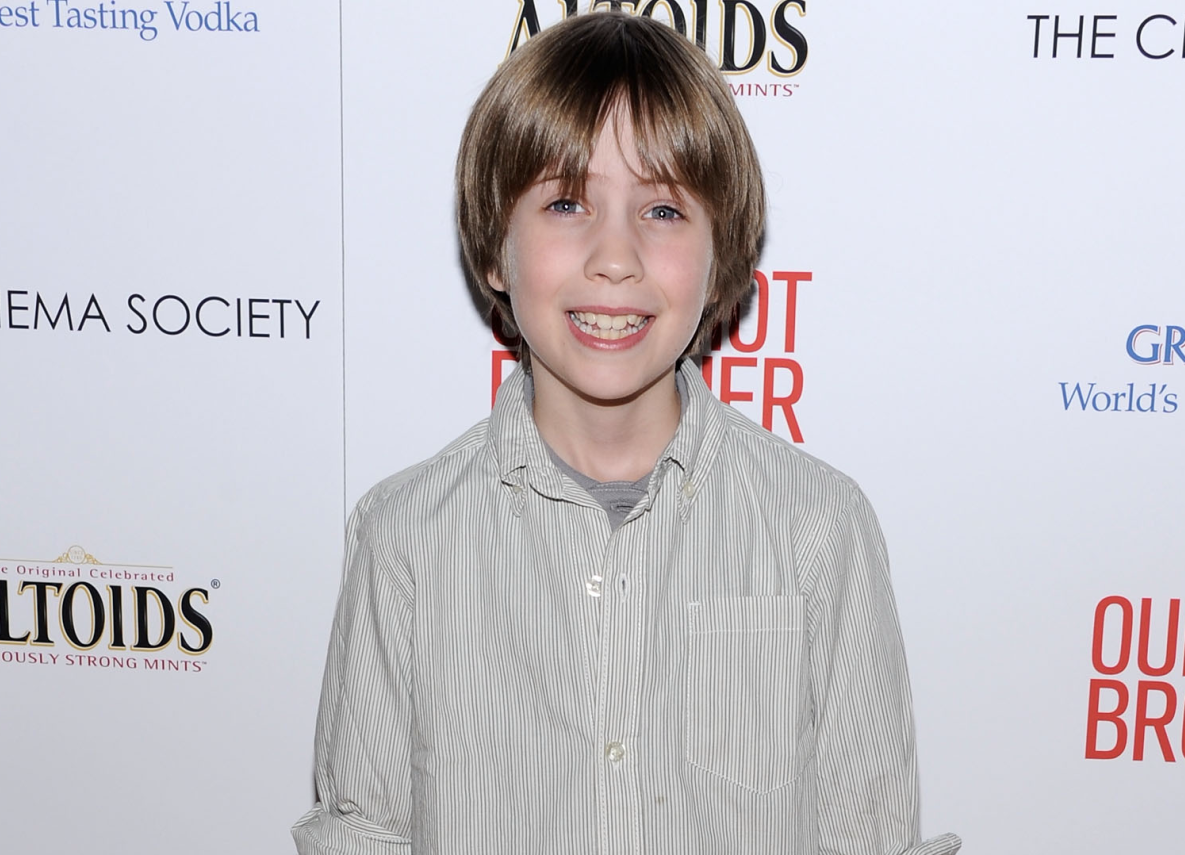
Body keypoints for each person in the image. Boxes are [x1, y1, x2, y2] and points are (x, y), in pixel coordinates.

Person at [292, 11, 961, 855]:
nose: (616, 256)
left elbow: (865, 837)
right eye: (566, 201)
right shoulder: (404, 539)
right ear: (495, 250)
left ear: (723, 258)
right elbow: (365, 833)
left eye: (664, 210)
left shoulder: (818, 528)